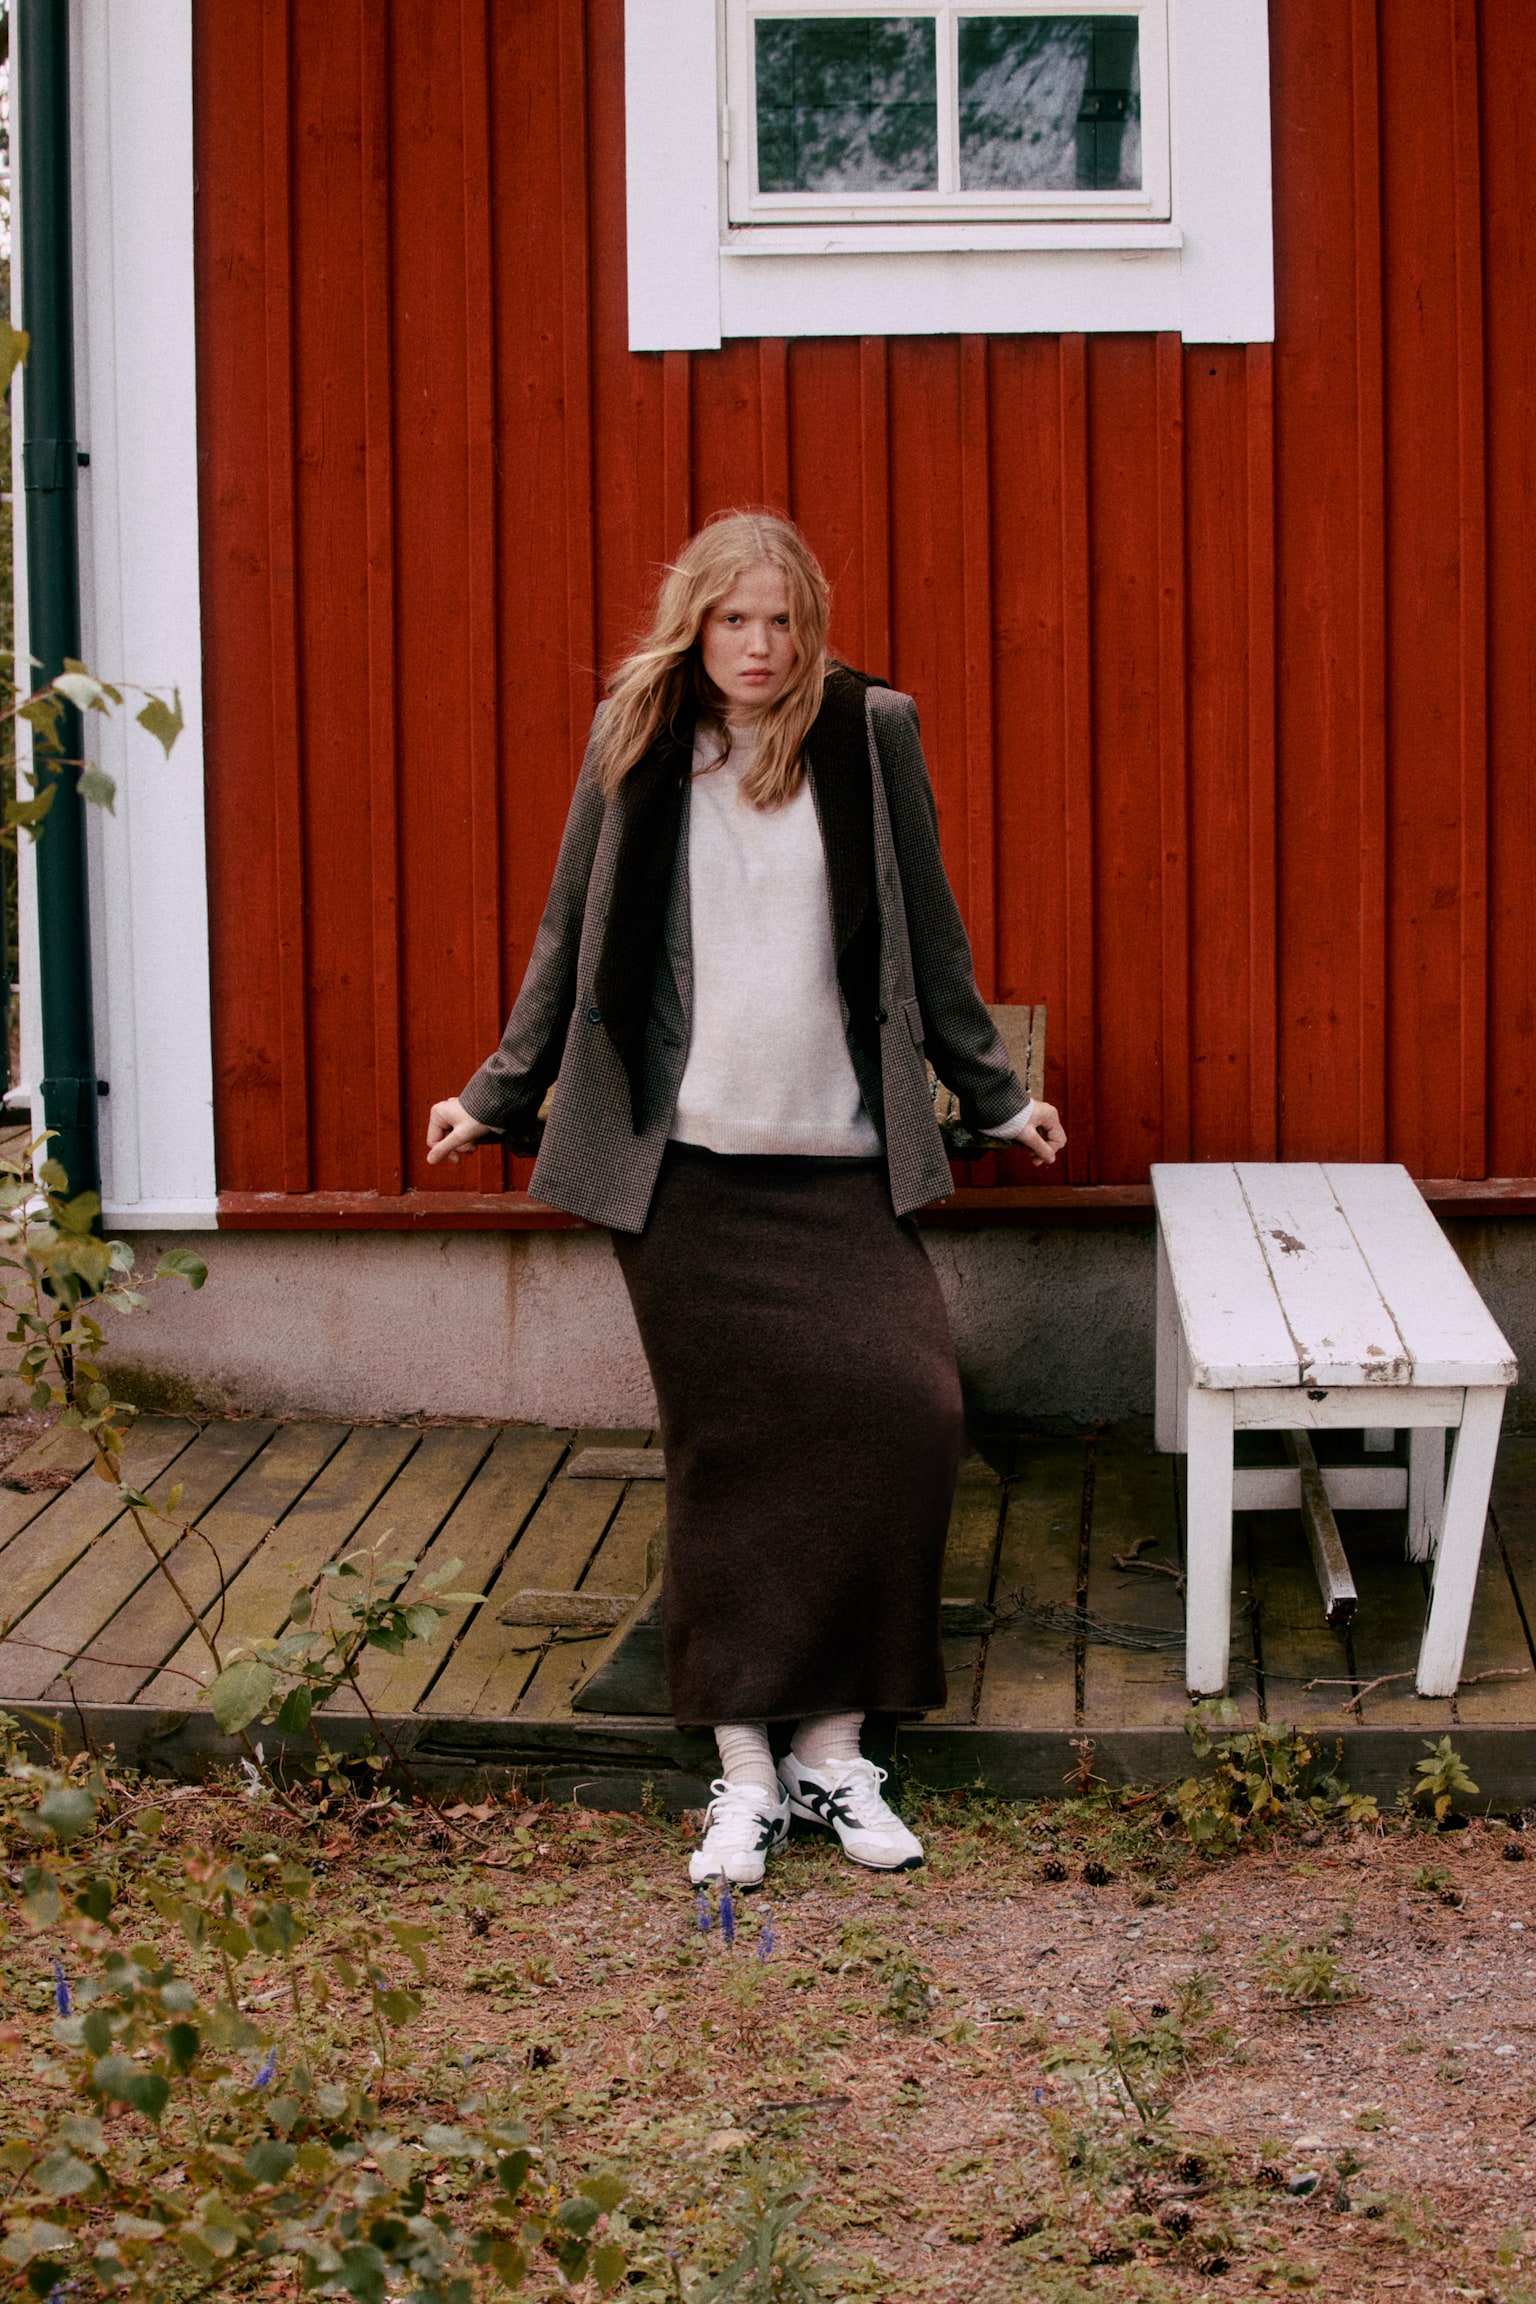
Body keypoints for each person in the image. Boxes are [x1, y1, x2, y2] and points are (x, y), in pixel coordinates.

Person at [428, 510, 1065, 1889]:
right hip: (687, 1168)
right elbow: (570, 926)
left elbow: (930, 929)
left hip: (840, 1155)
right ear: (696, 622)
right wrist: (498, 1089)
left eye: (781, 621)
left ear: (808, 622)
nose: (760, 647)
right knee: (731, 1458)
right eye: (735, 620)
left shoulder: (869, 732)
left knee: (906, 1414)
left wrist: (995, 1091)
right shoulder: (640, 733)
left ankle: (835, 1749)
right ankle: (746, 1774)